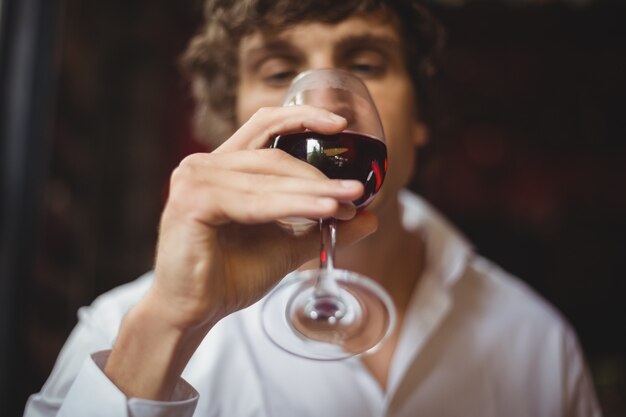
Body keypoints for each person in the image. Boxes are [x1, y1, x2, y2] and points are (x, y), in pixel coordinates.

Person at [24, 0, 602, 416]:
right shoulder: (122, 329)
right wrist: (170, 326)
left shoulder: (539, 343)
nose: (327, 106)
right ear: (234, 124)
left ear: (420, 118)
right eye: (281, 74)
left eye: (367, 65)